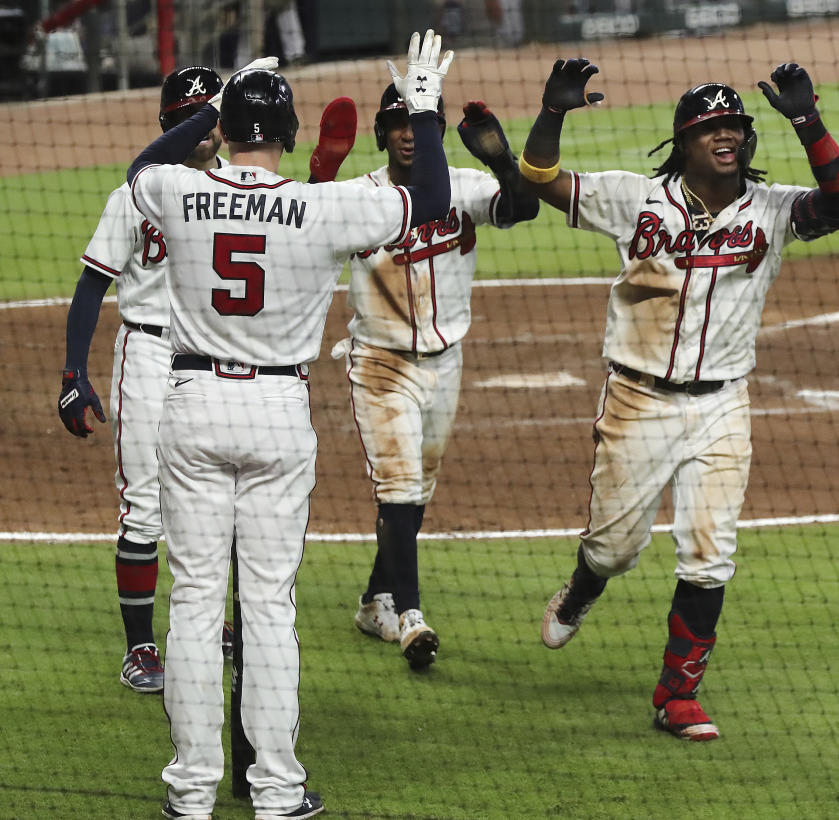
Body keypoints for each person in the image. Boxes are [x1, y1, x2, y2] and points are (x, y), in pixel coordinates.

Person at [125, 31, 453, 819]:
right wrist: (424, 108)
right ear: (292, 136)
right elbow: (433, 201)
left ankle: (191, 792)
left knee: (197, 602)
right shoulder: (323, 205)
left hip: (192, 405)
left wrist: (210, 101)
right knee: (269, 607)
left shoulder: (176, 187)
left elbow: (140, 168)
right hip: (276, 413)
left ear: (224, 133)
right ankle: (275, 790)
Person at [520, 60, 839, 740]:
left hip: (722, 406)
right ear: (683, 141)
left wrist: (808, 120)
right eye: (711, 128)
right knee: (615, 550)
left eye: (735, 126)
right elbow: (537, 179)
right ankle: (583, 587)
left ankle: (677, 695)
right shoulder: (635, 199)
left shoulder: (773, 211)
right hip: (637, 401)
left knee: (710, 553)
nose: (727, 136)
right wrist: (553, 113)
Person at [314, 85, 539, 669]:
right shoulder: (360, 198)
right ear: (383, 133)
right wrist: (321, 173)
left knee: (416, 497)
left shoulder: (463, 187)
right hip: (380, 362)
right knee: (399, 487)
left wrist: (500, 160)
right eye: (398, 122)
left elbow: (522, 209)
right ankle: (412, 617)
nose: (410, 133)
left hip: (447, 362)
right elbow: (304, 235)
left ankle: (374, 602)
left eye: (420, 121)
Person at [57, 65, 233, 694]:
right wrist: (75, 372)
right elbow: (90, 287)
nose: (201, 131)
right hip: (150, 355)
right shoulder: (134, 192)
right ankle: (140, 649)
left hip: (214, 357)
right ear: (171, 125)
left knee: (213, 499)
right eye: (188, 117)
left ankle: (203, 622)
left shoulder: (237, 190)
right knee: (144, 506)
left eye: (205, 116)